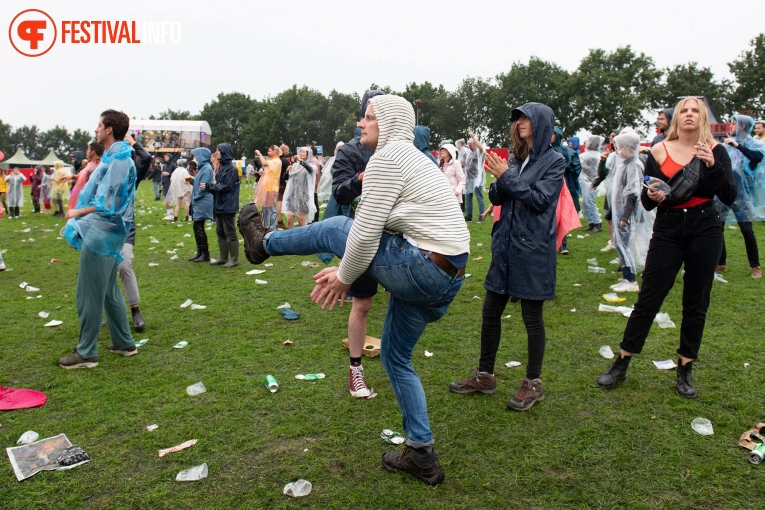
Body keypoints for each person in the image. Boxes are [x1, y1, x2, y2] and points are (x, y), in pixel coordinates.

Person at [238, 94, 469, 485]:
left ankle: (264, 244)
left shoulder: (388, 158)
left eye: (368, 118)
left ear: (391, 124)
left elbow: (362, 235)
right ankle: (422, 454)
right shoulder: (417, 158)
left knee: (339, 228)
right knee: (396, 359)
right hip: (448, 275)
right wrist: (348, 270)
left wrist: (344, 277)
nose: (360, 124)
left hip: (423, 268)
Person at [596, 97, 736, 398]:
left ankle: (685, 369)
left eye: (694, 110)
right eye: (683, 110)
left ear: (702, 118)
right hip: (669, 226)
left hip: (705, 227)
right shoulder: (658, 150)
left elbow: (727, 194)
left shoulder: (716, 150)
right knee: (649, 297)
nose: (688, 115)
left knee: (696, 301)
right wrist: (656, 195)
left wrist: (712, 166)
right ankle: (622, 361)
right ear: (676, 119)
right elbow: (647, 199)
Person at [449, 102, 564, 412]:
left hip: (532, 248)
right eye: (517, 118)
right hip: (505, 246)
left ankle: (533, 384)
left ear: (541, 124)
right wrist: (498, 179)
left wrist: (507, 178)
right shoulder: (515, 158)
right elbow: (499, 196)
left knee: (531, 317)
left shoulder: (554, 161)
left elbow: (540, 201)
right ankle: (485, 375)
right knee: (490, 311)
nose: (520, 122)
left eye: (527, 118)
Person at [58, 109, 138, 369]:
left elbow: (111, 201)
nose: (95, 129)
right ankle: (125, 343)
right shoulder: (116, 156)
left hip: (104, 232)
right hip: (108, 232)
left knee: (88, 293)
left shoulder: (119, 160)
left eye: (99, 125)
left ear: (109, 130)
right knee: (107, 290)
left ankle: (87, 352)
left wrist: (79, 211)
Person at [330, 90, 385, 398]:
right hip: (363, 234)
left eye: (373, 116)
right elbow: (339, 192)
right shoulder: (352, 151)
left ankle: (396, 361)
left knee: (398, 300)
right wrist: (361, 179)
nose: (364, 122)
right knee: (362, 303)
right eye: (366, 114)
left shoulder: (403, 149)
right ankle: (356, 372)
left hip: (396, 236)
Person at [717, 114, 765, 278]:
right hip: (724, 192)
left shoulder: (753, 144)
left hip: (742, 195)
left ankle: (755, 267)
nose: (730, 126)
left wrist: (737, 145)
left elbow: (757, 157)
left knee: (746, 229)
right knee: (718, 227)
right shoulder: (726, 146)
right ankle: (721, 263)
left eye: (733, 123)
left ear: (743, 126)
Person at [607, 132, 648, 293]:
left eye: (619, 148)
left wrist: (625, 216)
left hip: (626, 212)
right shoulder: (624, 163)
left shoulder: (634, 165)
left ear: (628, 148)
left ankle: (631, 280)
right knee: (619, 243)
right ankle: (626, 275)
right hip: (619, 210)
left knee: (624, 245)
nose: (617, 152)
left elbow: (633, 192)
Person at [119, 134, 152, 332]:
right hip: (105, 228)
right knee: (106, 271)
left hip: (126, 227)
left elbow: (146, 158)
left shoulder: (131, 178)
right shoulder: (105, 170)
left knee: (124, 265)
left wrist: (132, 141)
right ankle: (113, 310)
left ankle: (135, 310)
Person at [201, 143, 240, 267]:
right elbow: (219, 185)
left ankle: (234, 259)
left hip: (228, 205)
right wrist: (212, 186)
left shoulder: (232, 169)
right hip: (219, 204)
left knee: (230, 232)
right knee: (220, 231)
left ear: (224, 152)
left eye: (218, 150)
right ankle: (223, 257)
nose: (216, 152)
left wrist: (209, 186)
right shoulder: (222, 167)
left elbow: (226, 186)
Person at [552, 126, 582, 254]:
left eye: (552, 134)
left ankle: (563, 244)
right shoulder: (543, 150)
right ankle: (551, 243)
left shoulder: (567, 151)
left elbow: (576, 168)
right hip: (549, 188)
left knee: (562, 215)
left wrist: (565, 166)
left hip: (564, 188)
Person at [189, 148, 214, 262]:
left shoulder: (207, 169)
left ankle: (205, 253)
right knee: (197, 226)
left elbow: (204, 186)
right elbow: (199, 183)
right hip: (199, 200)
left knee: (198, 226)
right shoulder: (203, 168)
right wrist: (192, 181)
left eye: (197, 156)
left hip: (202, 201)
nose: (196, 158)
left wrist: (195, 197)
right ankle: (200, 252)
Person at [282, 148, 316, 228]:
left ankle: (306, 237)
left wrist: (300, 160)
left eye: (303, 152)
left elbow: (310, 170)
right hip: (292, 195)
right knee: (289, 219)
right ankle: (292, 238)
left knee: (301, 221)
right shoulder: (295, 166)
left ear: (308, 154)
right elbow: (286, 178)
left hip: (303, 196)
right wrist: (287, 171)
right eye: (300, 152)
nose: (301, 153)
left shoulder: (311, 166)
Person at [68, 143, 104, 211]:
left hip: (88, 199)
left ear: (93, 152)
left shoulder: (97, 165)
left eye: (88, 149)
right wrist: (73, 176)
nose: (86, 152)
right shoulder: (91, 164)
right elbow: (83, 176)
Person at [253, 145, 282, 231]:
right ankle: (264, 227)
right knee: (265, 208)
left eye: (269, 151)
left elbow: (264, 163)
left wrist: (259, 154)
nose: (268, 153)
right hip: (267, 188)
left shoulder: (277, 161)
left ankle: (272, 229)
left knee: (271, 209)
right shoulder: (272, 160)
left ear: (275, 152)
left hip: (272, 188)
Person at [579, 135, 604, 231]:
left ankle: (597, 223)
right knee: (586, 203)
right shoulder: (595, 155)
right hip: (588, 181)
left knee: (589, 202)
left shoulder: (588, 156)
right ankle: (591, 222)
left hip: (591, 182)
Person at [463, 131, 486, 222]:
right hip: (468, 178)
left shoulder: (480, 151)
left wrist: (473, 136)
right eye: (469, 144)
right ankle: (469, 216)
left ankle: (481, 216)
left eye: (471, 144)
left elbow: (480, 147)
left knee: (479, 197)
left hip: (477, 178)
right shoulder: (469, 152)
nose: (470, 146)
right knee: (468, 197)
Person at [277, 145, 291, 229]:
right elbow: (288, 174)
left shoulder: (275, 160)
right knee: (280, 202)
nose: (288, 152)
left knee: (277, 202)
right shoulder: (284, 161)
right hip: (282, 183)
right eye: (288, 150)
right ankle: (279, 221)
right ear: (284, 150)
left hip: (274, 183)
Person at [161, 153, 176, 219]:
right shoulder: (164, 166)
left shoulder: (173, 165)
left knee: (169, 199)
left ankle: (171, 213)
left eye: (166, 157)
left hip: (170, 185)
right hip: (165, 184)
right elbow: (162, 176)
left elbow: (175, 175)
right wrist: (161, 183)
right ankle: (168, 213)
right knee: (166, 199)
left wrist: (169, 174)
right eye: (164, 157)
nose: (165, 158)